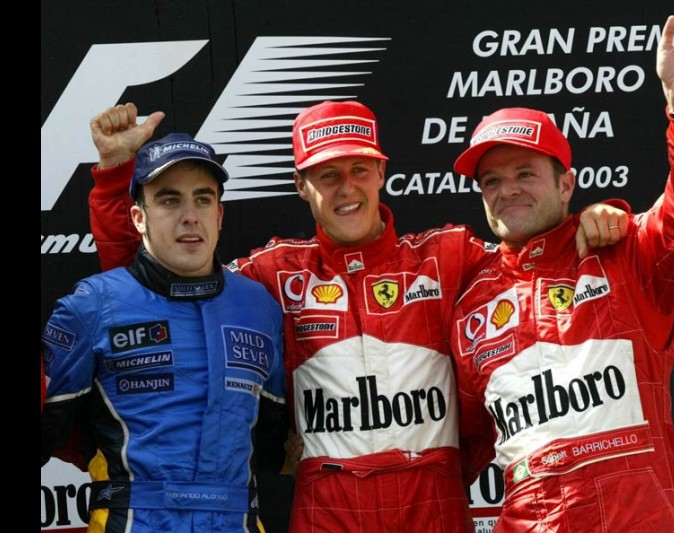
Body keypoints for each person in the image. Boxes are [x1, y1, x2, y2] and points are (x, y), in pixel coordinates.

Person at [83, 100, 627, 531]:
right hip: (329, 506)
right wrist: (113, 177)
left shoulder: (448, 255)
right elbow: (158, 287)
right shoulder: (272, 273)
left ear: (382, 172)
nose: (347, 188)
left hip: (432, 502)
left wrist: (597, 219)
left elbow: (532, 258)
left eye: (359, 169)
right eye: (328, 175)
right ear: (301, 187)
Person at [448, 11, 674, 532]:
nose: (506, 189)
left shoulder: (627, 255)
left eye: (525, 173)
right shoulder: (469, 301)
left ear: (565, 184)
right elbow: (460, 445)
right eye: (490, 180)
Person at [41, 133, 289, 532]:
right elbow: (51, 431)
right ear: (139, 217)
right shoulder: (91, 306)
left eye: (203, 199)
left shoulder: (258, 306)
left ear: (219, 215)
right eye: (170, 200)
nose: (189, 216)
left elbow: (272, 441)